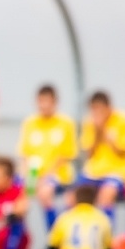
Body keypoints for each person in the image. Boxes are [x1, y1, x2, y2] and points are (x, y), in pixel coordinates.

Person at [17, 84, 77, 230]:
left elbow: (67, 155)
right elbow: (25, 154)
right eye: (40, 101)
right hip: (34, 174)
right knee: (18, 197)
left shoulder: (65, 123)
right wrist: (28, 178)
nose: (43, 105)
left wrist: (45, 176)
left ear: (55, 102)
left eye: (47, 101)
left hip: (58, 175)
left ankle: (54, 240)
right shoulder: (30, 123)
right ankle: (12, 243)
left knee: (45, 192)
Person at [78, 90, 125, 212]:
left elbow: (123, 151)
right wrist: (98, 132)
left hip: (118, 172)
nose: (97, 114)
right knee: (73, 197)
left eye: (100, 110)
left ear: (109, 107)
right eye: (94, 110)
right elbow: (89, 154)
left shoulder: (123, 120)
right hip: (94, 172)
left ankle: (106, 230)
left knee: (106, 194)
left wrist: (106, 132)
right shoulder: (89, 122)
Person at [47, 184, 114, 249]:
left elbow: (52, 248)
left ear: (75, 199)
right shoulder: (103, 218)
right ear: (95, 200)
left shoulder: (65, 217)